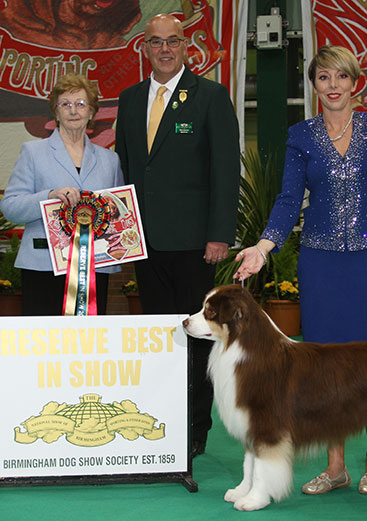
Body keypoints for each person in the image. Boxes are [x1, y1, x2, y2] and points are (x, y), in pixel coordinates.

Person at [235, 46, 367, 495]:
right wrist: (262, 246)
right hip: (320, 263)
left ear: (356, 83)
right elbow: (289, 200)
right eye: (323, 78)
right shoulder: (302, 136)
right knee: (324, 365)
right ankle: (336, 466)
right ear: (314, 86)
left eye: (341, 77)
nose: (332, 86)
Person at [115, 13, 240, 458]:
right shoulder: (129, 100)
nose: (164, 50)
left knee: (195, 337)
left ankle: (195, 428)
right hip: (144, 244)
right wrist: (122, 234)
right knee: (159, 336)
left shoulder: (210, 96)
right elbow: (128, 170)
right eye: (155, 42)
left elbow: (226, 171)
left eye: (173, 41)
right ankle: (163, 420)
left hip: (195, 244)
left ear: (186, 45)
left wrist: (220, 234)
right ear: (144, 48)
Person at [0, 73, 124, 316]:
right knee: (43, 346)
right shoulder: (33, 152)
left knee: (89, 345)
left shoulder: (110, 159)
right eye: (65, 104)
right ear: (55, 113)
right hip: (42, 265)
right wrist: (49, 196)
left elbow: (117, 213)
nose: (73, 110)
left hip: (95, 265)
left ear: (92, 112)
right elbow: (10, 206)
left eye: (80, 104)